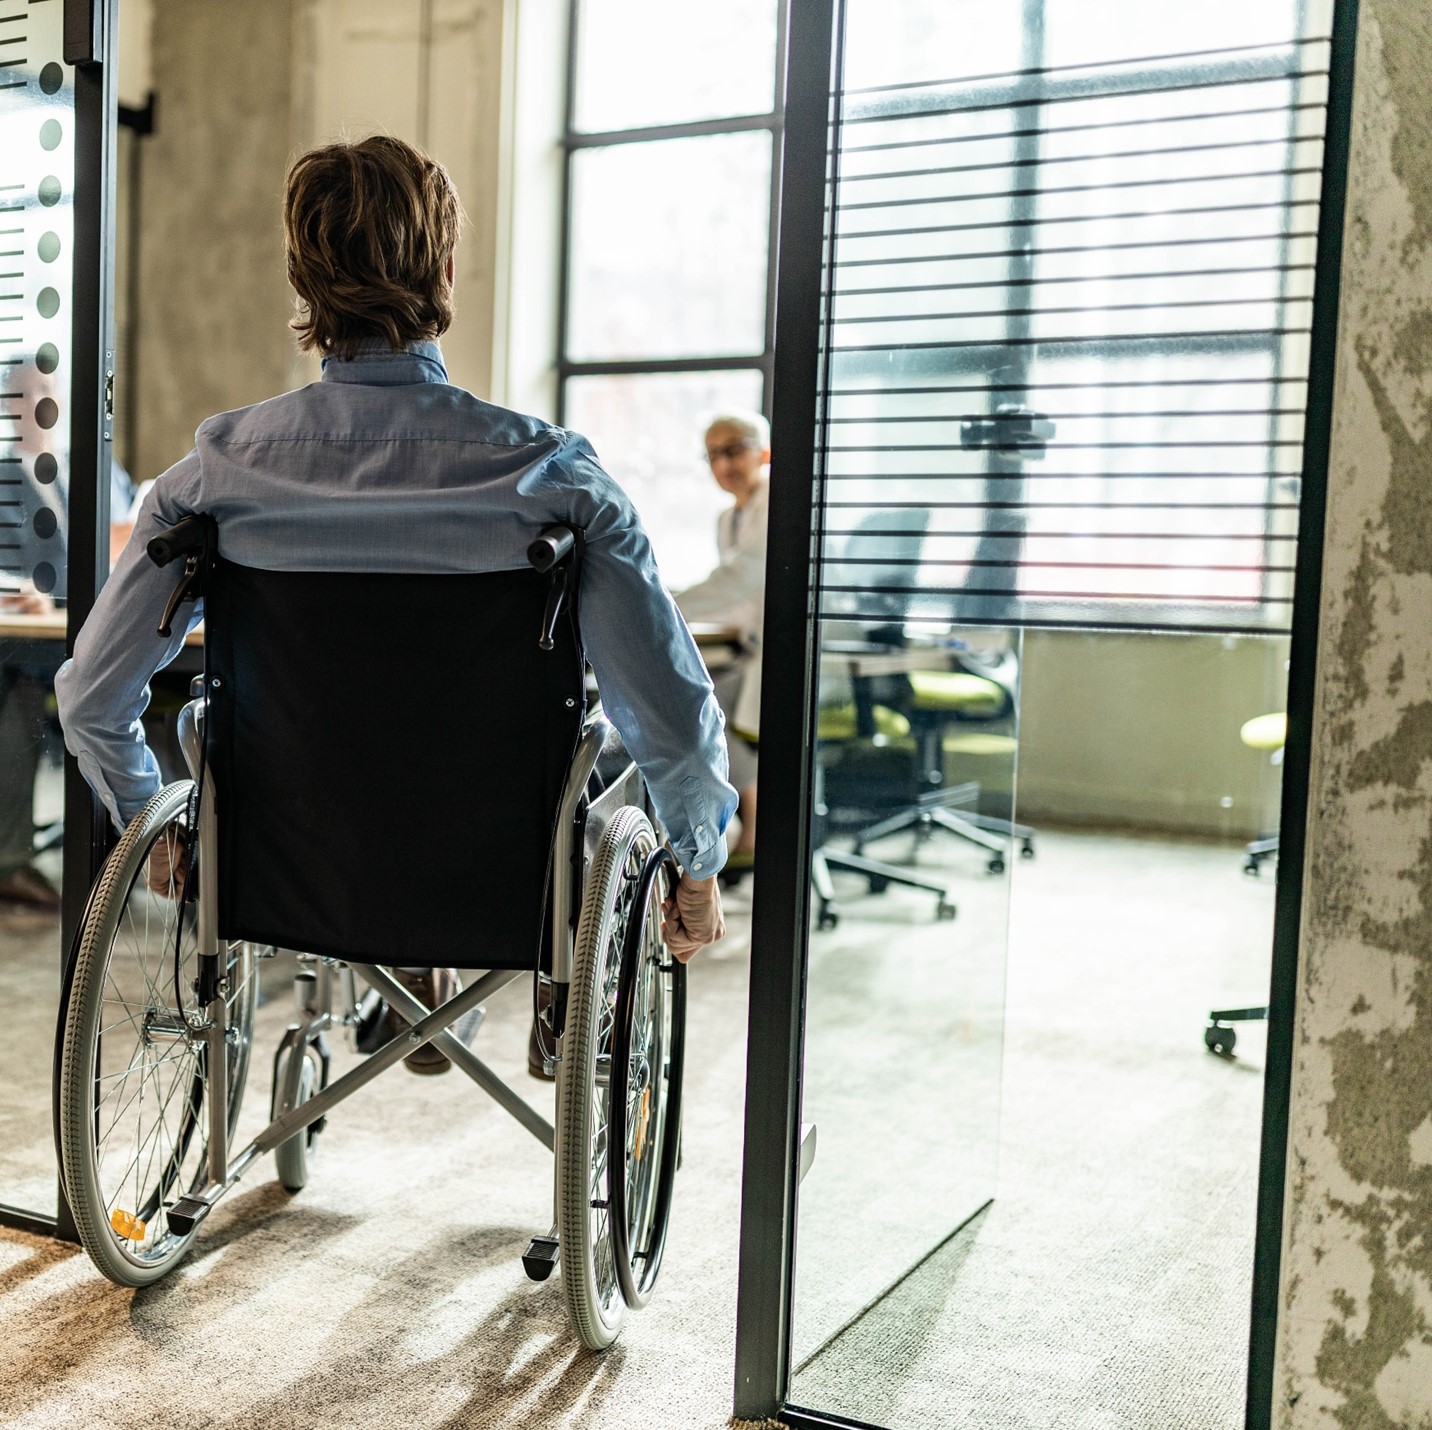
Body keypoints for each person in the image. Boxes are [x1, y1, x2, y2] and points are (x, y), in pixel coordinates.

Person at [55, 135, 735, 1074]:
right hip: (497, 863)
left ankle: (406, 976)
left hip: (288, 858)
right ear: (448, 269)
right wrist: (698, 860)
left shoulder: (211, 478)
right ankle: (499, 981)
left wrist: (156, 829)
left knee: (293, 742)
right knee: (595, 753)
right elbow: (666, 705)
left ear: (302, 282)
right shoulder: (552, 476)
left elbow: (92, 697)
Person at [674, 412, 768, 872]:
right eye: (713, 454)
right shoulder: (727, 518)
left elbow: (742, 577)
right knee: (695, 691)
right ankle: (735, 827)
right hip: (745, 645)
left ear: (764, 452)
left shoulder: (776, 502)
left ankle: (752, 830)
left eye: (734, 449)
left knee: (714, 706)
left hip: (777, 653)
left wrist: (668, 606)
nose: (724, 463)